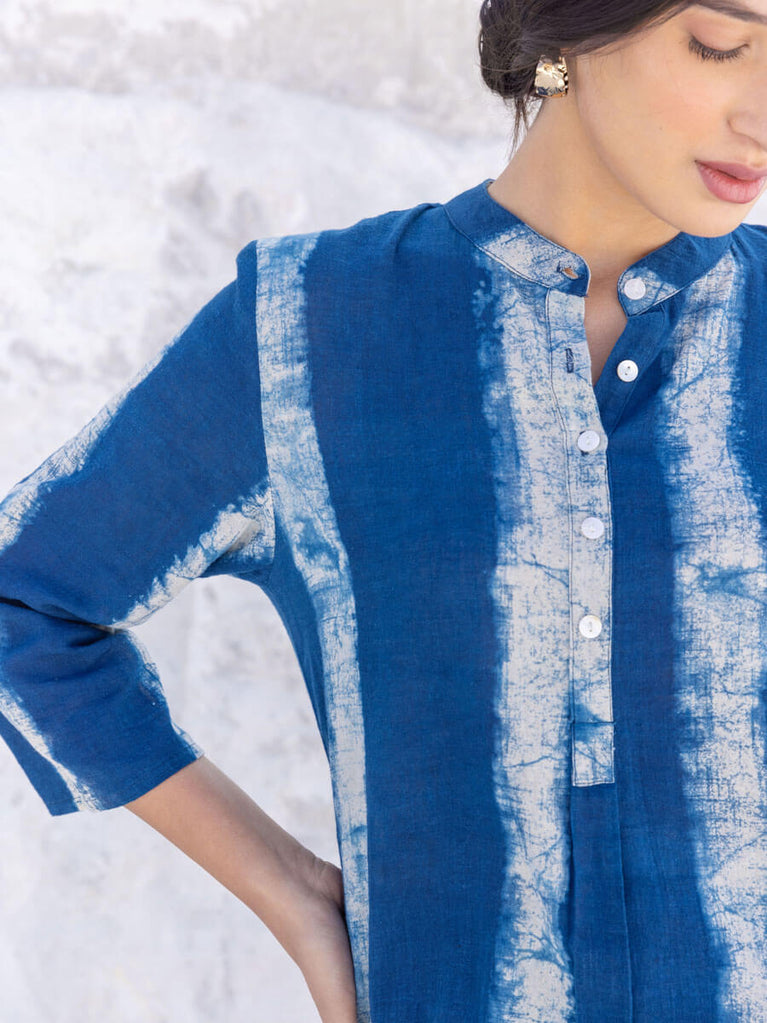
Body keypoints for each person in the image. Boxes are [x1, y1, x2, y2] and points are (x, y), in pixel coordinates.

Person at [1, 0, 767, 1019]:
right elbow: (27, 601)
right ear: (569, 29)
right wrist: (290, 892)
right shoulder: (306, 329)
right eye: (721, 44)